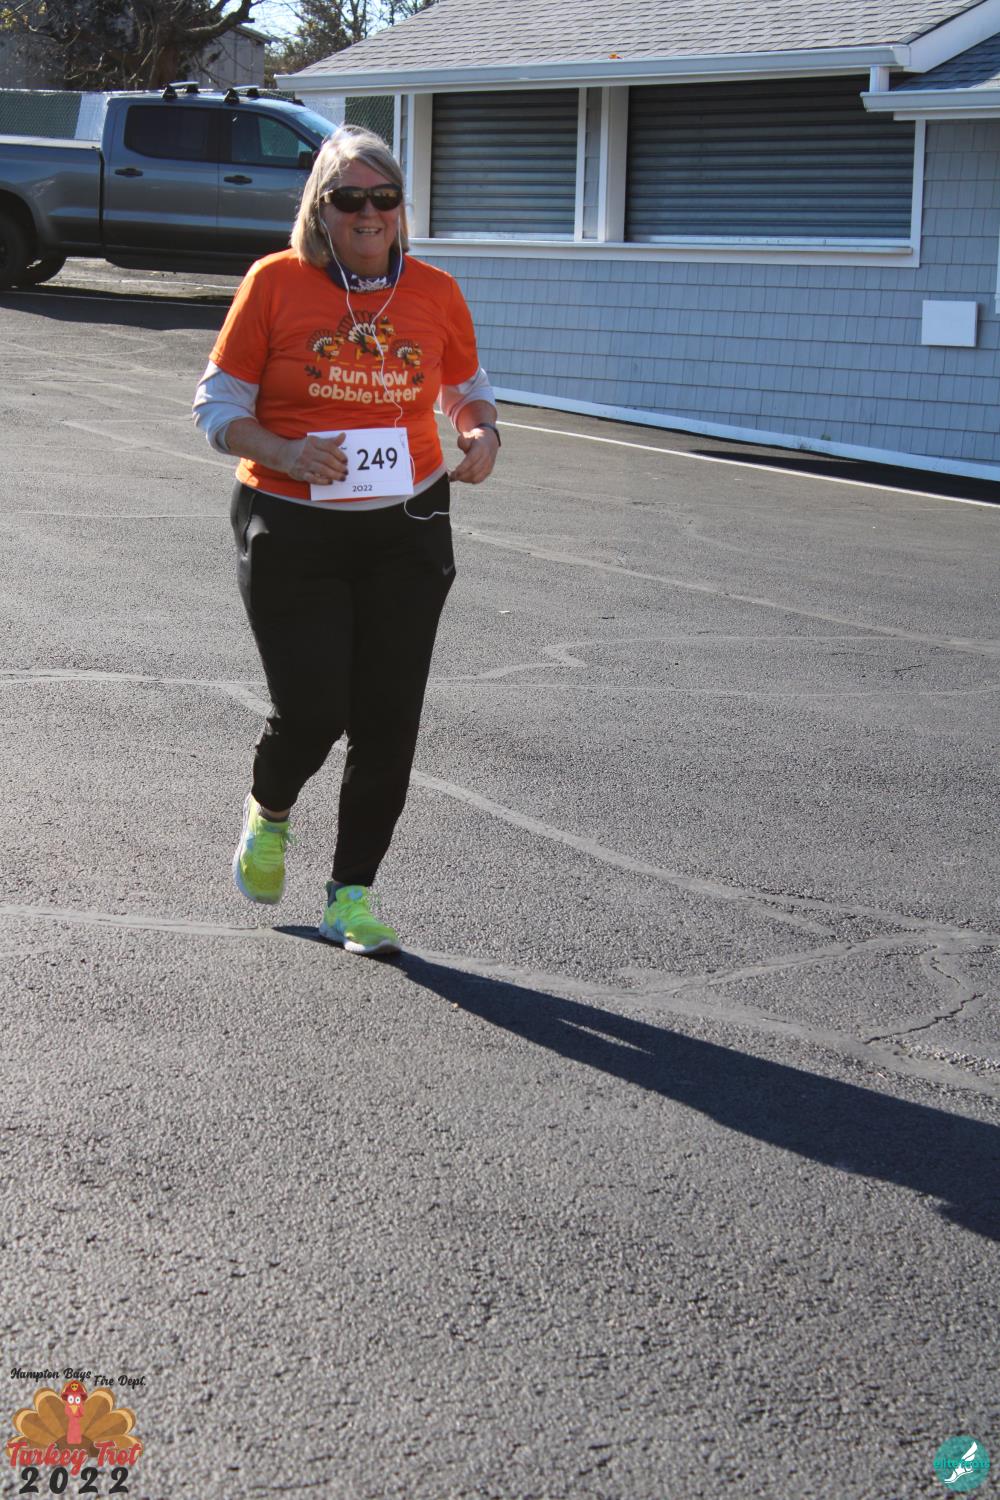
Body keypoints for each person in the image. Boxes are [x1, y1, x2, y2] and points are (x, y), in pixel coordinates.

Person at [193, 126, 500, 956]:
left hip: (407, 524)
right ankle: (270, 810)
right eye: (349, 198)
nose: (369, 213)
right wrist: (286, 451)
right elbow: (216, 407)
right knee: (314, 711)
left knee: (389, 719)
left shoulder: (435, 291)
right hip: (291, 520)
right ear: (320, 210)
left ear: (401, 207)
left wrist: (480, 431)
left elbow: (466, 386)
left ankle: (351, 896)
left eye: (384, 197)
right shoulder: (275, 283)